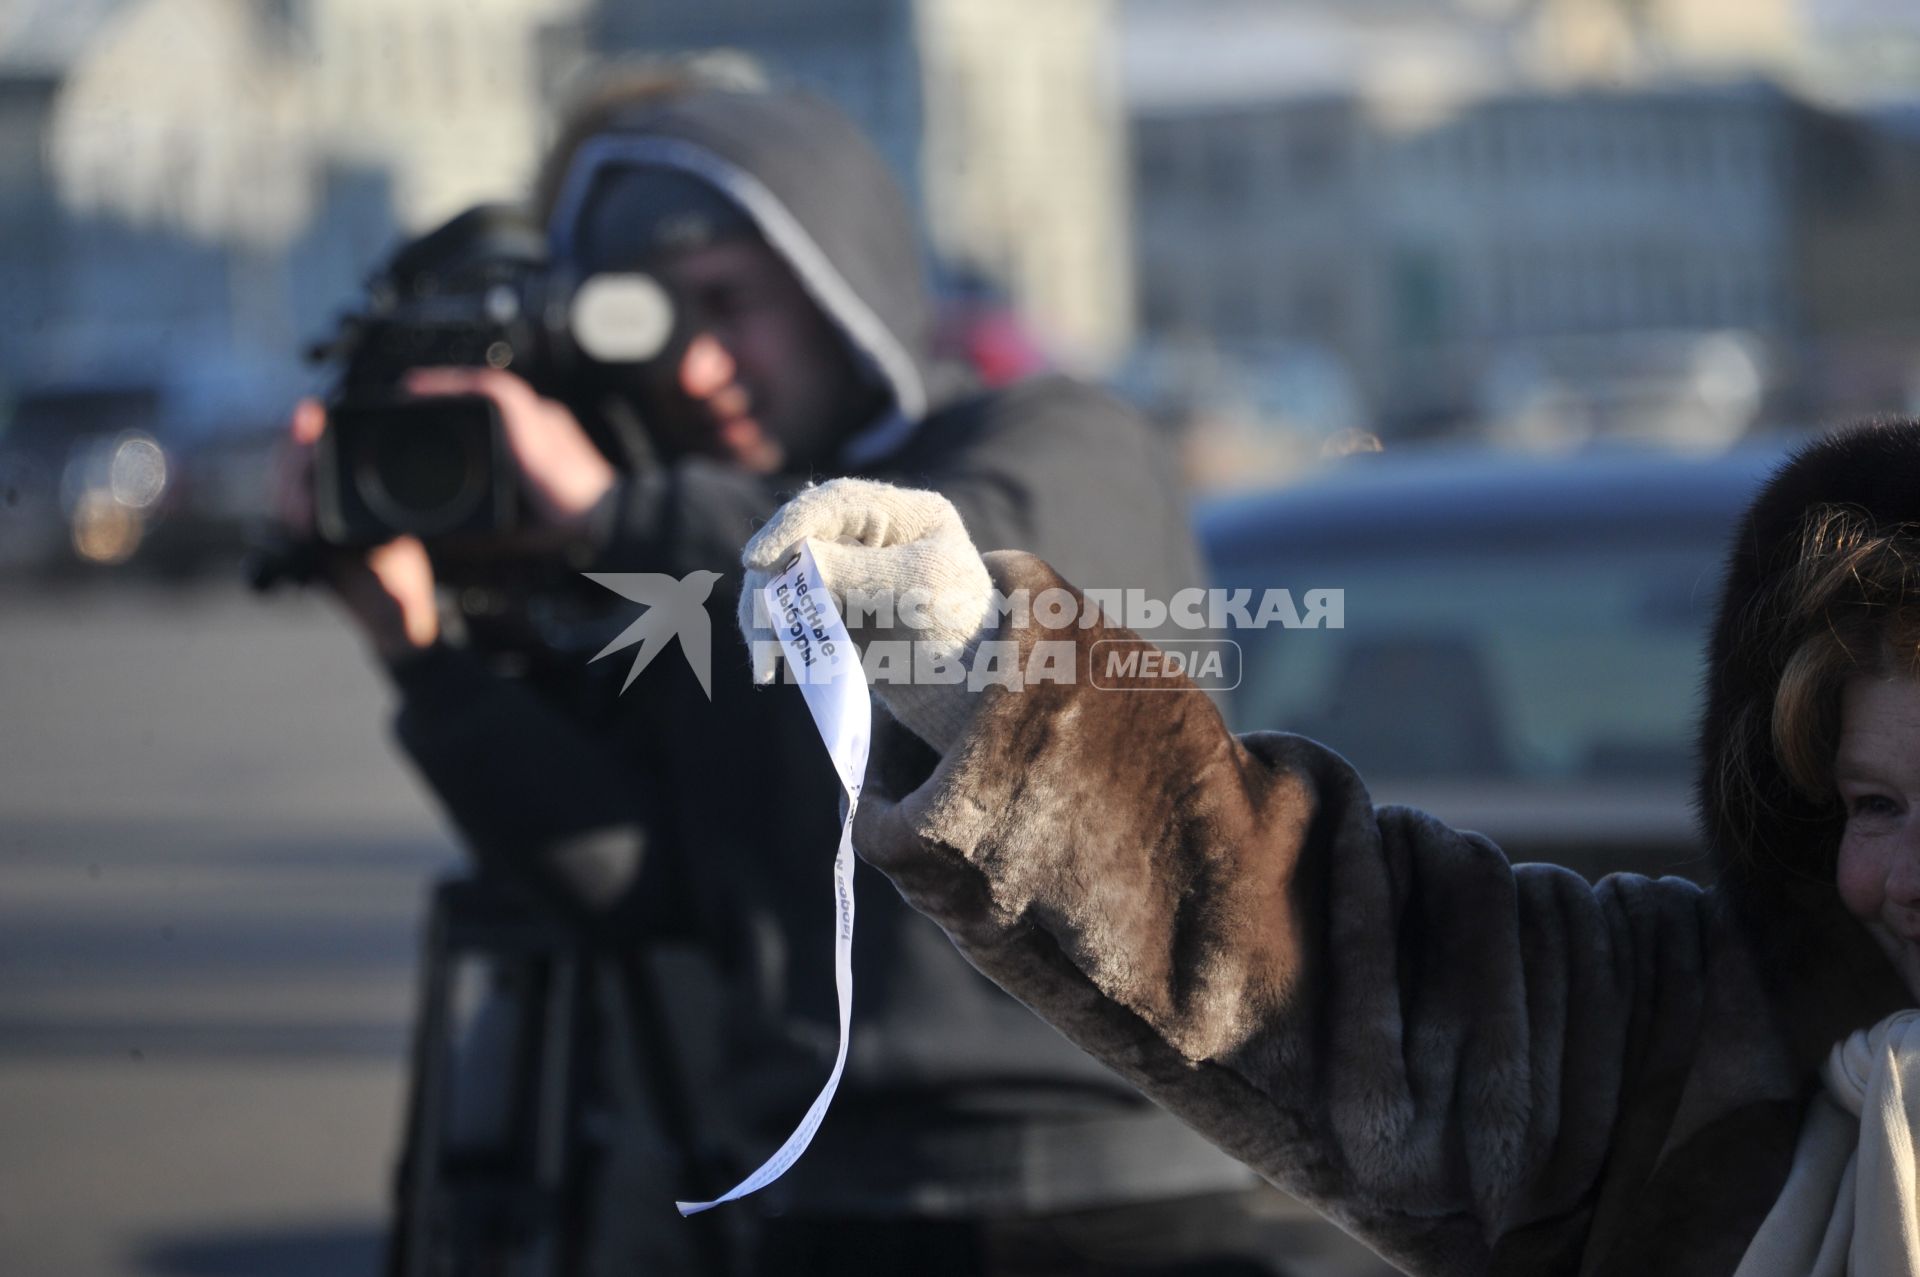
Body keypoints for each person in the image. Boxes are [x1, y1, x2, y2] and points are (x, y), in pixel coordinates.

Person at [288, 75, 1344, 1275]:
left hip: (1114, 1190)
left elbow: (951, 604)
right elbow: (634, 875)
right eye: (650, 320)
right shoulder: (693, 559)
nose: (691, 365)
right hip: (828, 1193)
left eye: (729, 301)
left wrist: (607, 509)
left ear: (841, 280)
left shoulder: (1055, 437)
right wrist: (426, 660)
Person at [737, 421, 1920, 1277]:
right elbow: (1323, 947)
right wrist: (974, 660)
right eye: (1875, 804)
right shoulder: (1708, 1036)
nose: (1910, 877)